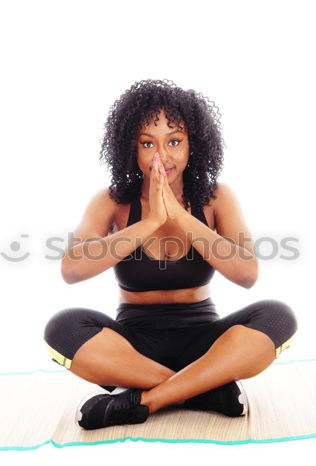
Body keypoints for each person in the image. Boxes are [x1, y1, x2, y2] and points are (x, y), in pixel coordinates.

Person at [44, 79, 298, 430]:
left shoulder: (217, 198)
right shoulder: (112, 202)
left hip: (205, 343)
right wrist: (150, 222)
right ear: (130, 149)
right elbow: (71, 270)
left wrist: (179, 216)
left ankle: (148, 398)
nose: (161, 156)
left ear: (194, 145)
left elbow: (247, 275)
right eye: (148, 143)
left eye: (174, 141)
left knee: (277, 317)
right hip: (131, 350)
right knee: (63, 327)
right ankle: (202, 389)